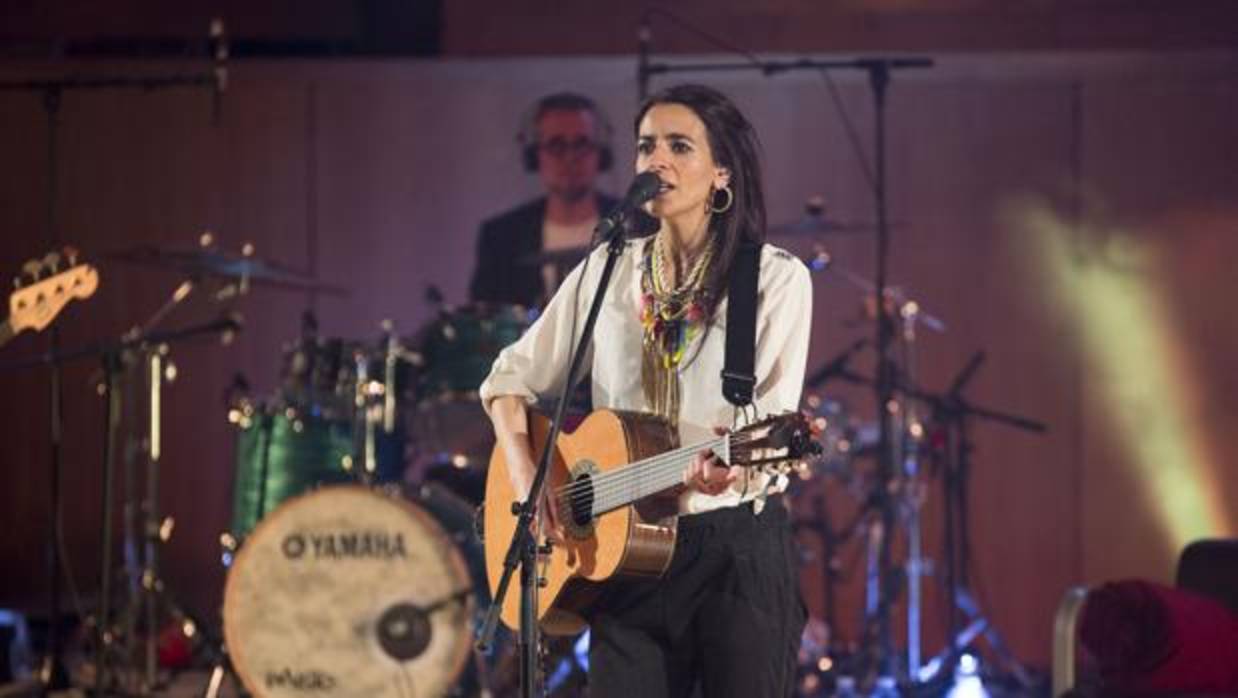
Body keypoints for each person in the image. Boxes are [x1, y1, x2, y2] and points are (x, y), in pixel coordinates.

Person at [479, 84, 813, 697]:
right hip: (626, 552)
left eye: (679, 146)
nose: (656, 160)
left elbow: (772, 424)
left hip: (732, 553)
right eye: (646, 146)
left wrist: (730, 470)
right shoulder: (609, 268)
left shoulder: (774, 279)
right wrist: (529, 477)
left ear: (721, 173)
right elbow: (507, 380)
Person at [469, 92, 620, 308]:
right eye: (556, 145)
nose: (570, 157)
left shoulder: (640, 225)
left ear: (601, 154)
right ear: (534, 156)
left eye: (581, 144)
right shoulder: (500, 238)